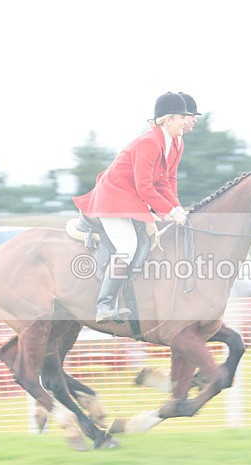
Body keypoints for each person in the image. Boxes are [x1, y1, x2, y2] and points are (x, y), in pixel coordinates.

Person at [73, 92, 190, 322]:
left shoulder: (174, 142)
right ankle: (104, 304)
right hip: (113, 198)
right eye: (180, 117)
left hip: (129, 199)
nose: (185, 121)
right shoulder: (149, 142)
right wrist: (169, 212)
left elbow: (164, 183)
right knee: (127, 245)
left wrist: (178, 209)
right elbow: (145, 187)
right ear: (166, 119)